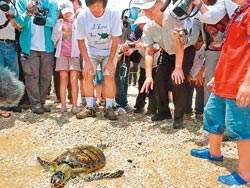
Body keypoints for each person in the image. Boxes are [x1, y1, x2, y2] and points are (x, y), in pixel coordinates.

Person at [191, 0, 250, 186]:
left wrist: (247, 84)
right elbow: (230, 48)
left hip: (239, 81)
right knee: (212, 113)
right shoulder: (239, 11)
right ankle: (214, 152)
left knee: (239, 126)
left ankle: (245, 173)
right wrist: (218, 76)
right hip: (224, 78)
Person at [140, 0, 196, 128]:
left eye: (151, 9)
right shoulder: (149, 26)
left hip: (185, 50)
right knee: (158, 78)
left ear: (161, 3)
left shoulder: (175, 15)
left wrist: (178, 68)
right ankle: (163, 112)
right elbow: (148, 52)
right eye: (145, 10)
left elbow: (180, 43)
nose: (148, 13)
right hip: (166, 52)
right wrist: (148, 76)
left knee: (177, 80)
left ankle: (178, 117)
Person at [75, 0, 122, 120]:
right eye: (92, 5)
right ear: (88, 5)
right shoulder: (82, 16)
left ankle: (109, 107)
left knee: (109, 76)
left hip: (109, 50)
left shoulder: (113, 13)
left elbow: (116, 39)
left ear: (104, 4)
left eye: (99, 5)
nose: (96, 8)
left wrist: (111, 61)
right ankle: (90, 107)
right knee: (88, 75)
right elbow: (80, 40)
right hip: (91, 50)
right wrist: (87, 61)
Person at [15, 0, 58, 114]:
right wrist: (28, 13)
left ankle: (41, 102)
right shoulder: (22, 2)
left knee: (46, 77)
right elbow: (19, 22)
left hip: (47, 47)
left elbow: (53, 21)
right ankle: (35, 104)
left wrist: (41, 18)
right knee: (32, 76)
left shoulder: (52, 3)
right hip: (28, 47)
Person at [52, 1, 81, 114]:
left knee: (74, 80)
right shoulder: (58, 23)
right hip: (62, 54)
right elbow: (53, 39)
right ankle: (63, 105)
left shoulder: (77, 22)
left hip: (74, 54)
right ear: (61, 13)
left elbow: (82, 37)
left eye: (69, 12)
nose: (67, 15)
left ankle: (75, 105)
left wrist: (74, 26)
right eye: (65, 13)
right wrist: (60, 31)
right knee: (63, 79)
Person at [0, 1, 22, 116]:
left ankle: (13, 104)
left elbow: (19, 27)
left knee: (13, 74)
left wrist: (11, 18)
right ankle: (1, 105)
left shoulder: (13, 7)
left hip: (12, 44)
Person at [185, 33, 205, 121]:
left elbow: (207, 62)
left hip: (201, 75)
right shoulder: (189, 49)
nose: (197, 43)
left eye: (200, 41)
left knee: (200, 95)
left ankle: (199, 112)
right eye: (195, 41)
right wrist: (188, 74)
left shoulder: (205, 49)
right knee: (188, 94)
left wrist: (200, 74)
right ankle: (187, 112)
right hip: (190, 75)